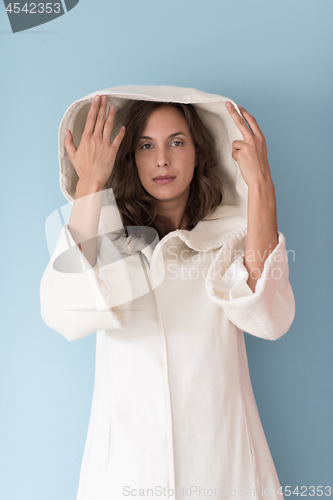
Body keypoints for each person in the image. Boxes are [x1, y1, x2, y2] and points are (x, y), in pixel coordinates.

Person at [40, 85, 295, 500]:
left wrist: (261, 184)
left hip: (223, 467)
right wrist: (91, 182)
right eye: (145, 145)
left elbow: (270, 316)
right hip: (127, 472)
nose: (162, 159)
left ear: (199, 151)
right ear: (131, 158)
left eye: (177, 142)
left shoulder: (228, 242)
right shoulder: (109, 245)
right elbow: (63, 309)